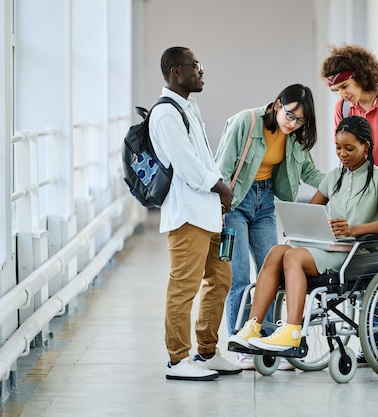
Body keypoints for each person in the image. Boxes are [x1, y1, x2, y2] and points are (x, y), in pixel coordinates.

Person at [228, 116, 378, 352]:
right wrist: (305, 224)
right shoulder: (334, 177)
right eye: (338, 148)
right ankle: (252, 326)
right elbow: (310, 211)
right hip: (329, 247)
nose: (343, 154)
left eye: (350, 148)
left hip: (356, 253)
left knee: (293, 257)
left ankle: (292, 331)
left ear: (366, 147)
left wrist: (353, 230)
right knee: (277, 251)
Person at [214, 84, 325, 369]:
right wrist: (220, 210)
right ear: (277, 105)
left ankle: (269, 341)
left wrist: (342, 181)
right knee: (238, 277)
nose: (293, 124)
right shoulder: (246, 122)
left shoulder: (294, 136)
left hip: (265, 203)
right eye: (290, 115)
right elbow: (222, 169)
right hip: (236, 200)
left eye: (300, 120)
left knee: (272, 272)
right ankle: (241, 345)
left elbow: (309, 172)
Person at [149, 46, 241, 381]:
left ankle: (206, 352)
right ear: (176, 71)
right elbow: (187, 165)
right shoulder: (166, 114)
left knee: (220, 279)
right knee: (183, 287)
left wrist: (218, 195)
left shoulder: (187, 107)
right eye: (195, 66)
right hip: (187, 215)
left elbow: (202, 157)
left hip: (207, 212)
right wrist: (220, 187)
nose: (201, 72)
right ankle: (177, 360)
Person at [321, 44, 378, 365]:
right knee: (363, 279)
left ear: (361, 75)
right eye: (335, 89)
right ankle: (373, 346)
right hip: (357, 206)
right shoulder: (344, 110)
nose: (341, 94)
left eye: (345, 86)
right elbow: (346, 154)